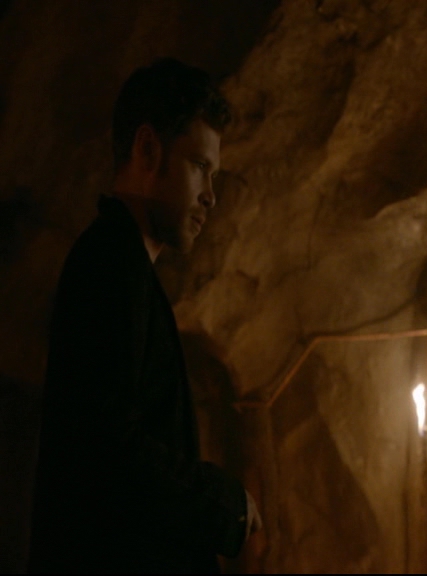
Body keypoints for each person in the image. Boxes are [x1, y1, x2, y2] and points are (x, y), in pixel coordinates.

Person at [28, 58, 261, 574]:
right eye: (199, 166)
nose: (211, 196)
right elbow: (108, 451)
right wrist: (222, 503)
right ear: (148, 149)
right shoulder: (109, 267)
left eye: (215, 175)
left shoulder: (122, 267)